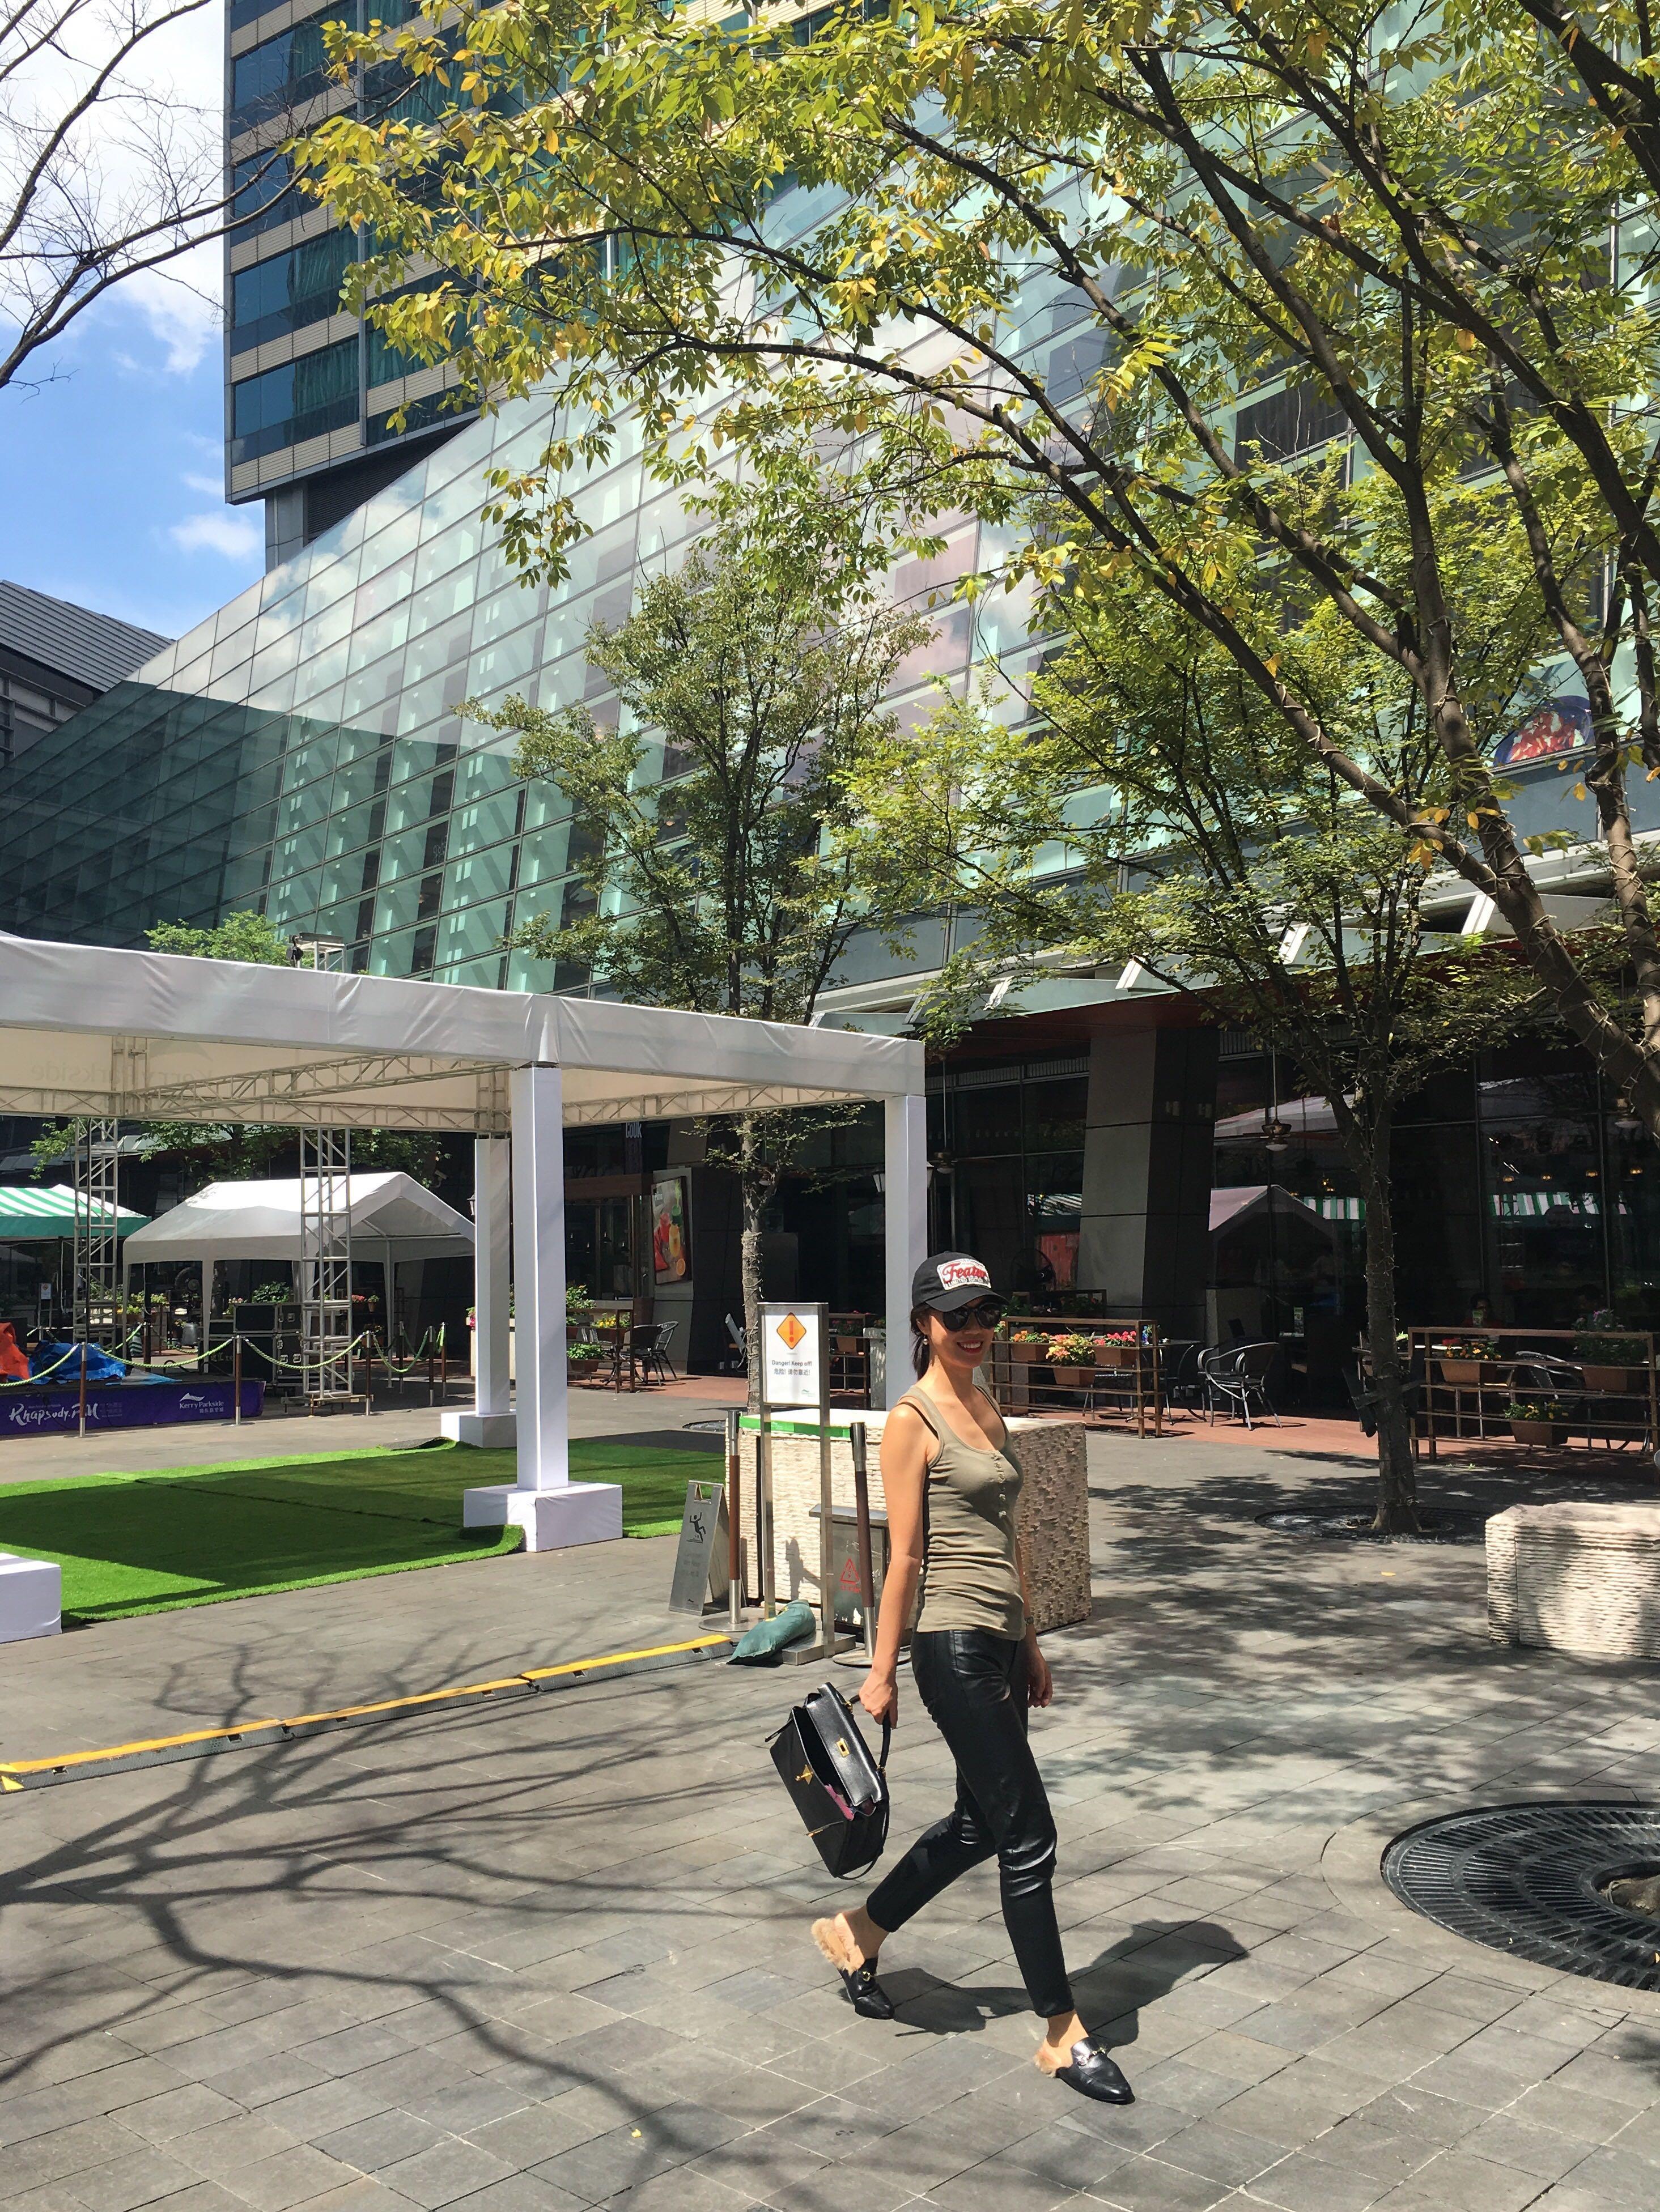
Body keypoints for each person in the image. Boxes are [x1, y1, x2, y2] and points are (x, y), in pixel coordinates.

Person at [810, 1252, 1132, 2105]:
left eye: (984, 1313)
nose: (974, 1330)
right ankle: (1061, 2033)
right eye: (957, 1317)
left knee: (978, 1825)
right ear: (923, 1324)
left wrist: (1028, 1639)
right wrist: (879, 1671)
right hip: (948, 1643)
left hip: (996, 1638)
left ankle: (857, 1931)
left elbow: (1007, 1536)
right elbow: (904, 1555)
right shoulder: (911, 1420)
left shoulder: (985, 1404)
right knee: (1029, 1833)